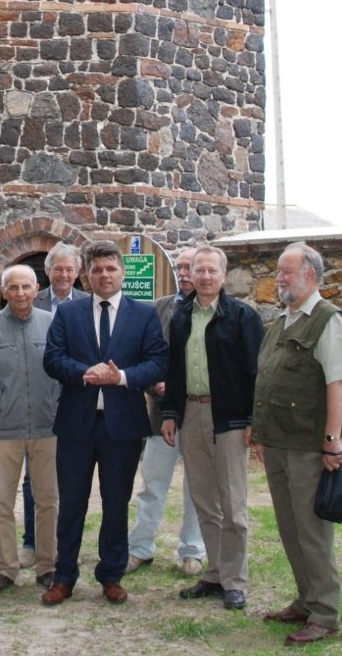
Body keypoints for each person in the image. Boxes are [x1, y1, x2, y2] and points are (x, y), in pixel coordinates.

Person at [41, 240, 169, 606]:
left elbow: (158, 362)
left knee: (117, 502)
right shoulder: (69, 314)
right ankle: (64, 575)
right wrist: (85, 372)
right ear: (88, 274)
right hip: (76, 424)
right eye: (97, 269)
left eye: (111, 268)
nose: (104, 275)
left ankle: (111, 574)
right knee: (72, 503)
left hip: (123, 426)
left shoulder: (143, 315)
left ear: (122, 273)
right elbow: (52, 359)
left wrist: (123, 377)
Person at [253, 243, 342, 647]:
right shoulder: (282, 321)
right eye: (279, 271)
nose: (278, 277)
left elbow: (338, 383)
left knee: (312, 531)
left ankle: (326, 614)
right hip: (277, 442)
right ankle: (305, 599)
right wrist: (261, 435)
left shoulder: (327, 320)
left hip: (307, 446)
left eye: (285, 271)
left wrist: (332, 441)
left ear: (310, 275)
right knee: (289, 526)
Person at [161, 244, 263, 611]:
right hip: (192, 415)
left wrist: (254, 421)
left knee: (233, 505)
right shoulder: (181, 316)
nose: (203, 276)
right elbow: (173, 371)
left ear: (224, 275)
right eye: (198, 270)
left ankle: (235, 581)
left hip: (230, 420)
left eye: (211, 271)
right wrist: (170, 413)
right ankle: (215, 573)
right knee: (205, 502)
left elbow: (255, 374)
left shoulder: (241, 317)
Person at [0, 264, 59, 595]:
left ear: (36, 289)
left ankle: (48, 565)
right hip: (3, 431)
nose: (20, 293)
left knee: (48, 499)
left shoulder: (53, 325)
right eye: (13, 287)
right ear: (2, 290)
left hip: (46, 427)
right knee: (2, 502)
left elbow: (63, 377)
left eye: (26, 287)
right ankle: (5, 568)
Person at [126, 246, 206, 576]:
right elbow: (142, 357)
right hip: (162, 415)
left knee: (197, 487)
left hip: (202, 413)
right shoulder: (156, 310)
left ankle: (192, 550)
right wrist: (154, 385)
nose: (184, 273)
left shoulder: (214, 311)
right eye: (180, 267)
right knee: (152, 483)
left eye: (191, 267)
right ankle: (140, 547)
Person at [18, 242, 87, 566]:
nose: (63, 274)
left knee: (71, 476)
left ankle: (64, 541)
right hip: (40, 400)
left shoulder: (88, 304)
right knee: (35, 476)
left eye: (69, 269)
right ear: (47, 272)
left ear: (77, 273)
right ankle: (32, 542)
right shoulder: (33, 300)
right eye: (58, 268)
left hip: (76, 400)